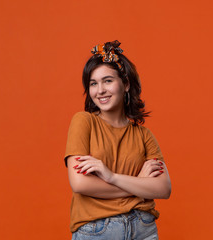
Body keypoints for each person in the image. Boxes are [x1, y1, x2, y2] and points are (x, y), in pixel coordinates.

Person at [64, 40, 171, 239]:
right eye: (93, 83)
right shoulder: (83, 122)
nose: (100, 90)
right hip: (98, 231)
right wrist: (140, 184)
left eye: (108, 81)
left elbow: (163, 189)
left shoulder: (143, 135)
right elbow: (80, 184)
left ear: (126, 84)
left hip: (143, 228)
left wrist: (111, 176)